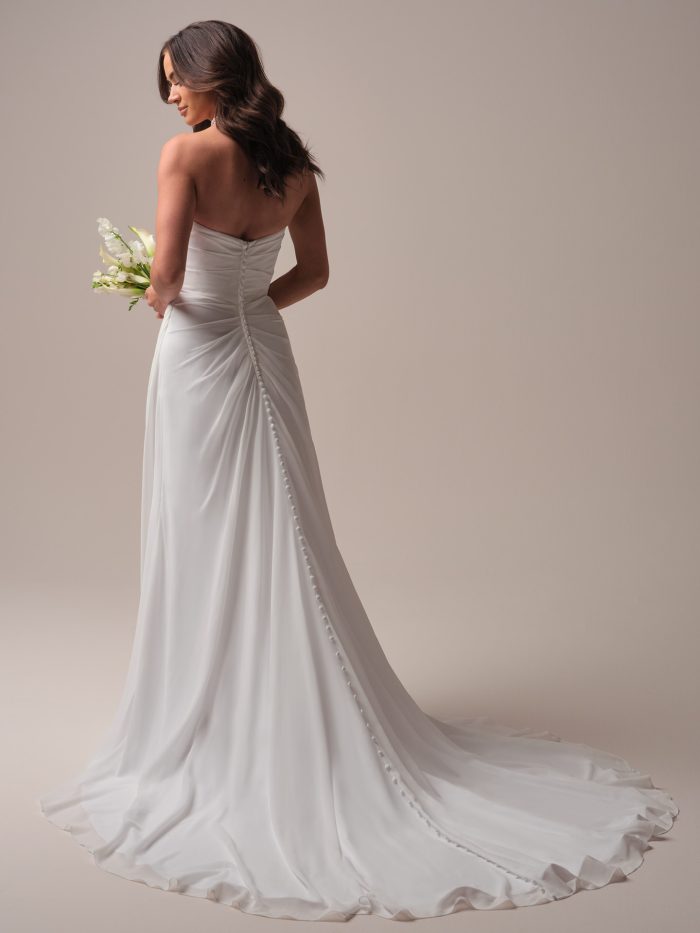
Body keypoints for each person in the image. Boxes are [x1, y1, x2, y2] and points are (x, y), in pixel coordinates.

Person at [38, 19, 679, 921]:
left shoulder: (183, 158)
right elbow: (318, 272)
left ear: (211, 77)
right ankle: (273, 704)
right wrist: (253, 300)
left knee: (206, 528)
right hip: (265, 348)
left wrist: (144, 284)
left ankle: (219, 720)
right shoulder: (293, 161)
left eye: (176, 81)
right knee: (282, 522)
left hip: (199, 362)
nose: (172, 97)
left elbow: (170, 286)